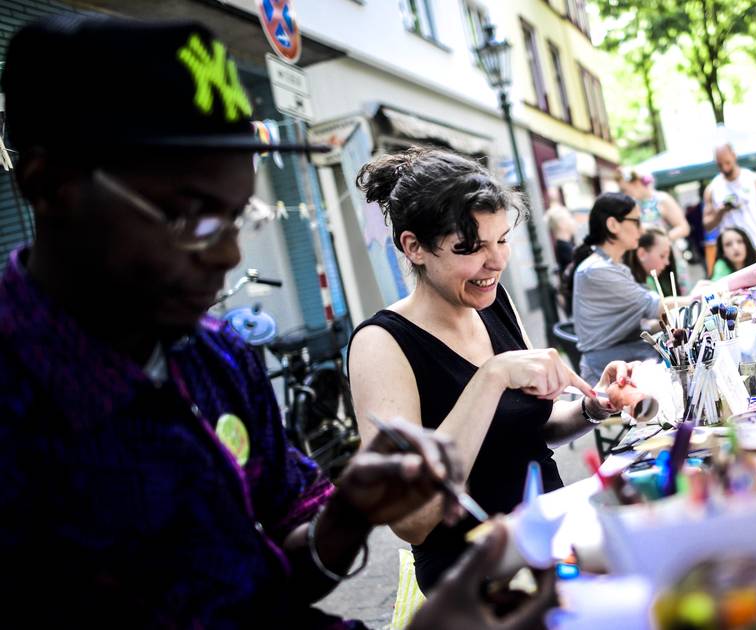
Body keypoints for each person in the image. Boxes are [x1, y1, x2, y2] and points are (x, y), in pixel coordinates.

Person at [0, 15, 553, 629]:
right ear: (52, 189)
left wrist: (347, 515)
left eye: (240, 216)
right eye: (193, 217)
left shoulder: (220, 360)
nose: (231, 253)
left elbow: (269, 584)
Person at [349, 149, 639, 593]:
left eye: (501, 239)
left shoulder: (492, 301)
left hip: (555, 547)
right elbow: (411, 520)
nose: (496, 261)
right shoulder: (382, 344)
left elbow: (525, 430)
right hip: (480, 585)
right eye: (471, 247)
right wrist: (490, 378)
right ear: (414, 247)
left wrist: (593, 407)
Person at [571, 192, 687, 383]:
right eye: (636, 222)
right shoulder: (597, 270)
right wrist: (708, 296)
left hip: (626, 356)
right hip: (610, 369)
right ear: (613, 225)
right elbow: (655, 307)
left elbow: (644, 317)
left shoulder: (612, 266)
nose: (641, 232)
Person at [702, 143, 756, 254]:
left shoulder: (754, 180)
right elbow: (707, 225)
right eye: (720, 164)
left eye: (727, 162)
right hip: (731, 253)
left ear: (734, 156)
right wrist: (720, 212)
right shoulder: (712, 189)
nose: (724, 168)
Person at [626, 227, 681, 295]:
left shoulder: (649, 280)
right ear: (642, 254)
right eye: (662, 256)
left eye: (667, 257)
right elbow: (656, 304)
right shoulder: (631, 286)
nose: (667, 262)